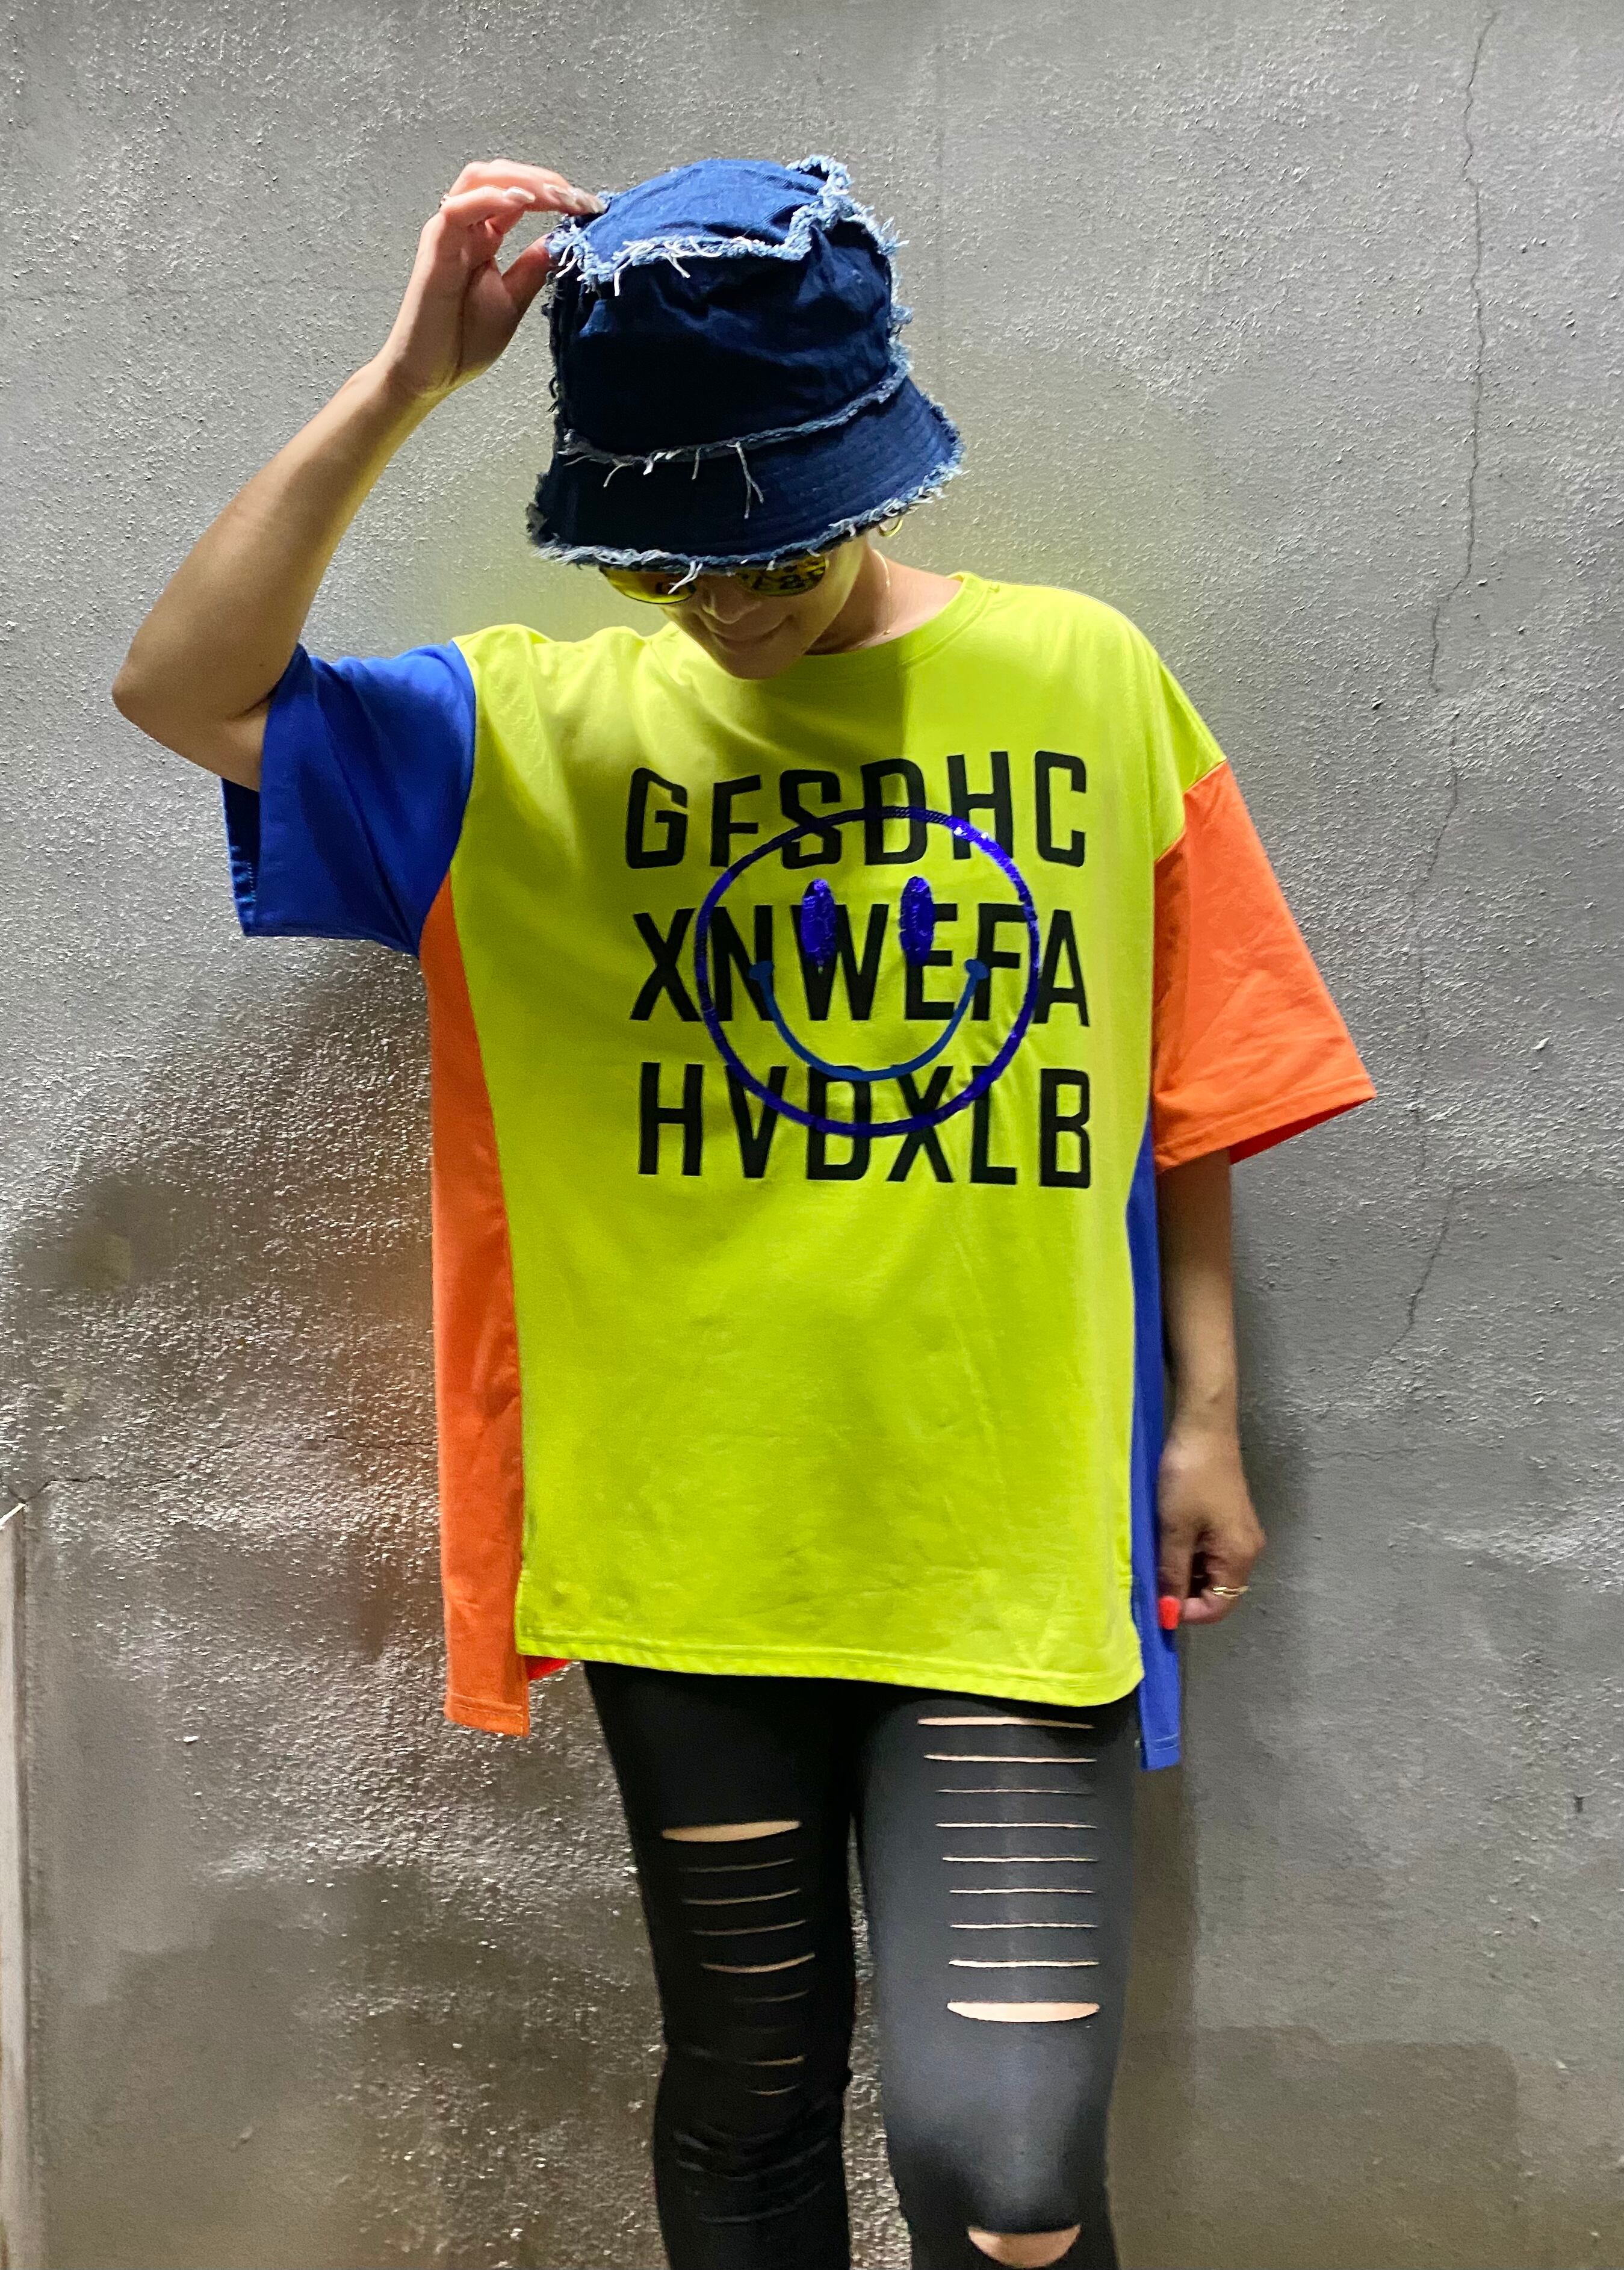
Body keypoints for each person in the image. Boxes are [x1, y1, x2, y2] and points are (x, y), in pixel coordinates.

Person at [113, 153, 1376, 2270]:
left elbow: (1197, 1081)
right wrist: (406, 381)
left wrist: (1203, 1413)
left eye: (772, 545)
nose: (725, 604)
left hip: (1001, 1534)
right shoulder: (516, 733)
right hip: (689, 1549)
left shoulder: (1088, 680)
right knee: (746, 2096)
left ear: (879, 460)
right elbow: (184, 692)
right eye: (663, 561)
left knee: (1007, 2177)